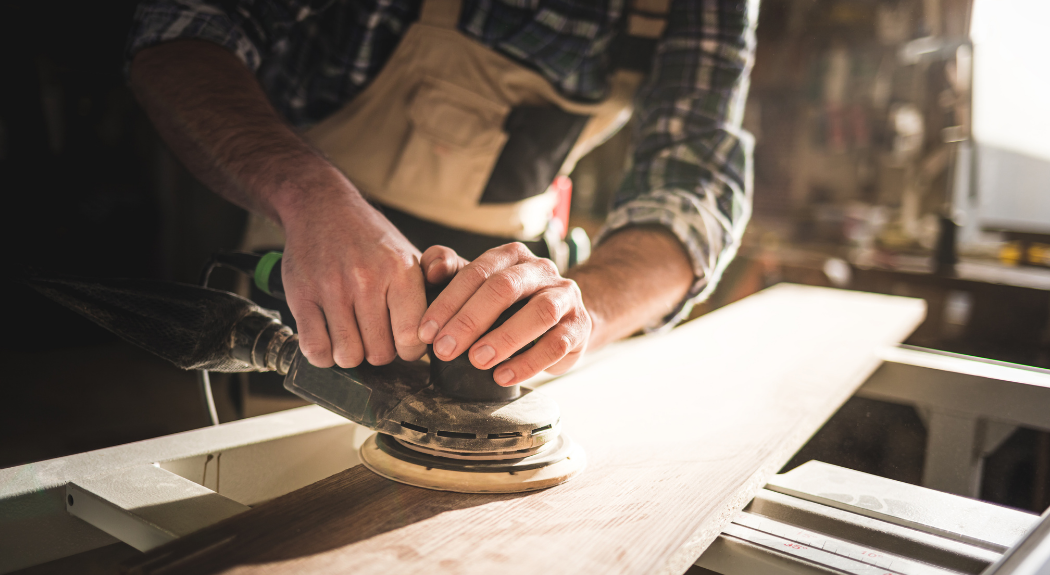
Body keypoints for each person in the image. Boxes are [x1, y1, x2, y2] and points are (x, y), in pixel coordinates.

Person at [126, 0, 757, 387]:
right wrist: (309, 195)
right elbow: (181, 31)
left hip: (514, 280)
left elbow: (696, 183)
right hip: (317, 256)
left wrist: (579, 318)